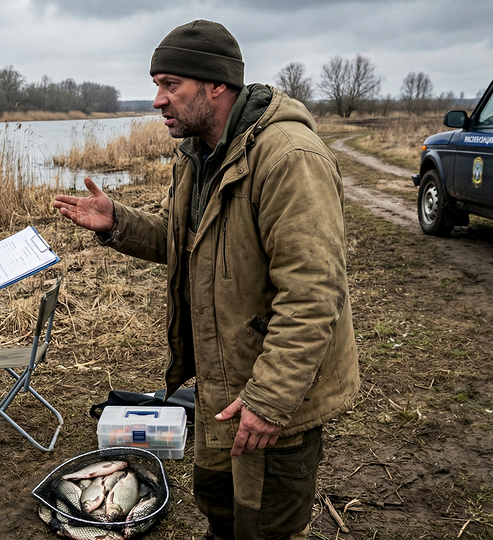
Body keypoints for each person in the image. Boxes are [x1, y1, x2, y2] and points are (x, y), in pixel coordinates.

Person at [53, 20, 360, 540]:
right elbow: (185, 242)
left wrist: (270, 399)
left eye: (171, 84)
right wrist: (117, 222)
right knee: (220, 508)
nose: (157, 100)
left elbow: (312, 293)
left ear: (217, 84)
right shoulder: (197, 156)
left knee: (266, 526)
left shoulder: (289, 158)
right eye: (157, 84)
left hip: (276, 390)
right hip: (220, 383)